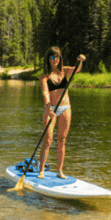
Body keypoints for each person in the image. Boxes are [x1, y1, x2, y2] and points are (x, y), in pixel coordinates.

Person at [38, 46, 86, 178]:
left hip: (65, 107)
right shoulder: (44, 76)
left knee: (62, 140)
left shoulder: (64, 70)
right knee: (48, 139)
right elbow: (45, 92)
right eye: (53, 57)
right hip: (51, 108)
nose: (55, 60)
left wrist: (81, 61)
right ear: (48, 59)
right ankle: (41, 171)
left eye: (58, 57)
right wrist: (48, 107)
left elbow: (76, 69)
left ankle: (59, 171)